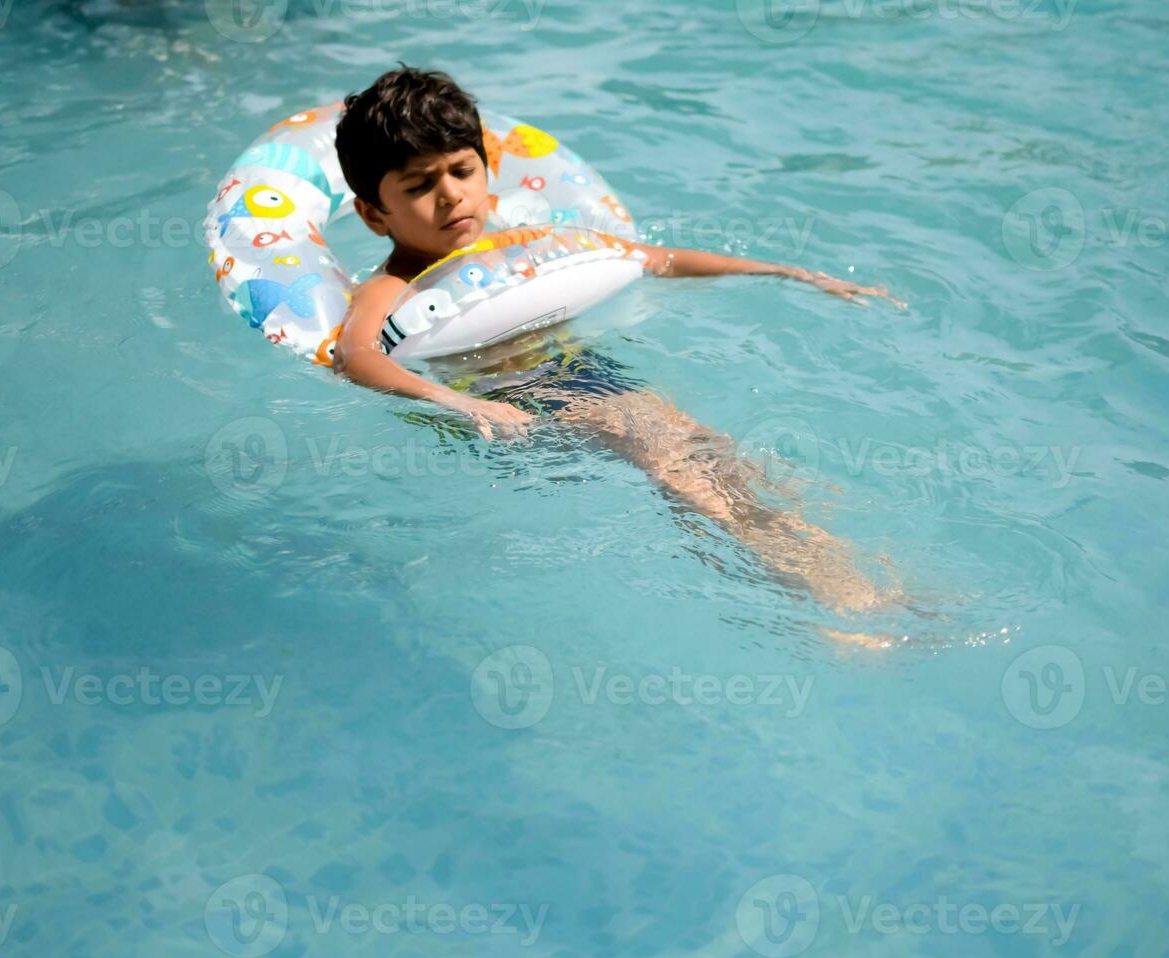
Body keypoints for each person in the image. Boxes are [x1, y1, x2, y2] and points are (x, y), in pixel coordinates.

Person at [330, 66, 904, 623]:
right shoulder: (391, 287)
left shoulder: (516, 247)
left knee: (716, 463)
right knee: (688, 466)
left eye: (462, 170)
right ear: (373, 214)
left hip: (580, 378)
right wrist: (462, 403)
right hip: (521, 397)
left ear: (486, 167)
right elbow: (354, 357)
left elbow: (656, 260)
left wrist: (787, 272)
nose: (451, 195)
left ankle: (825, 583)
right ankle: (837, 599)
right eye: (420, 185)